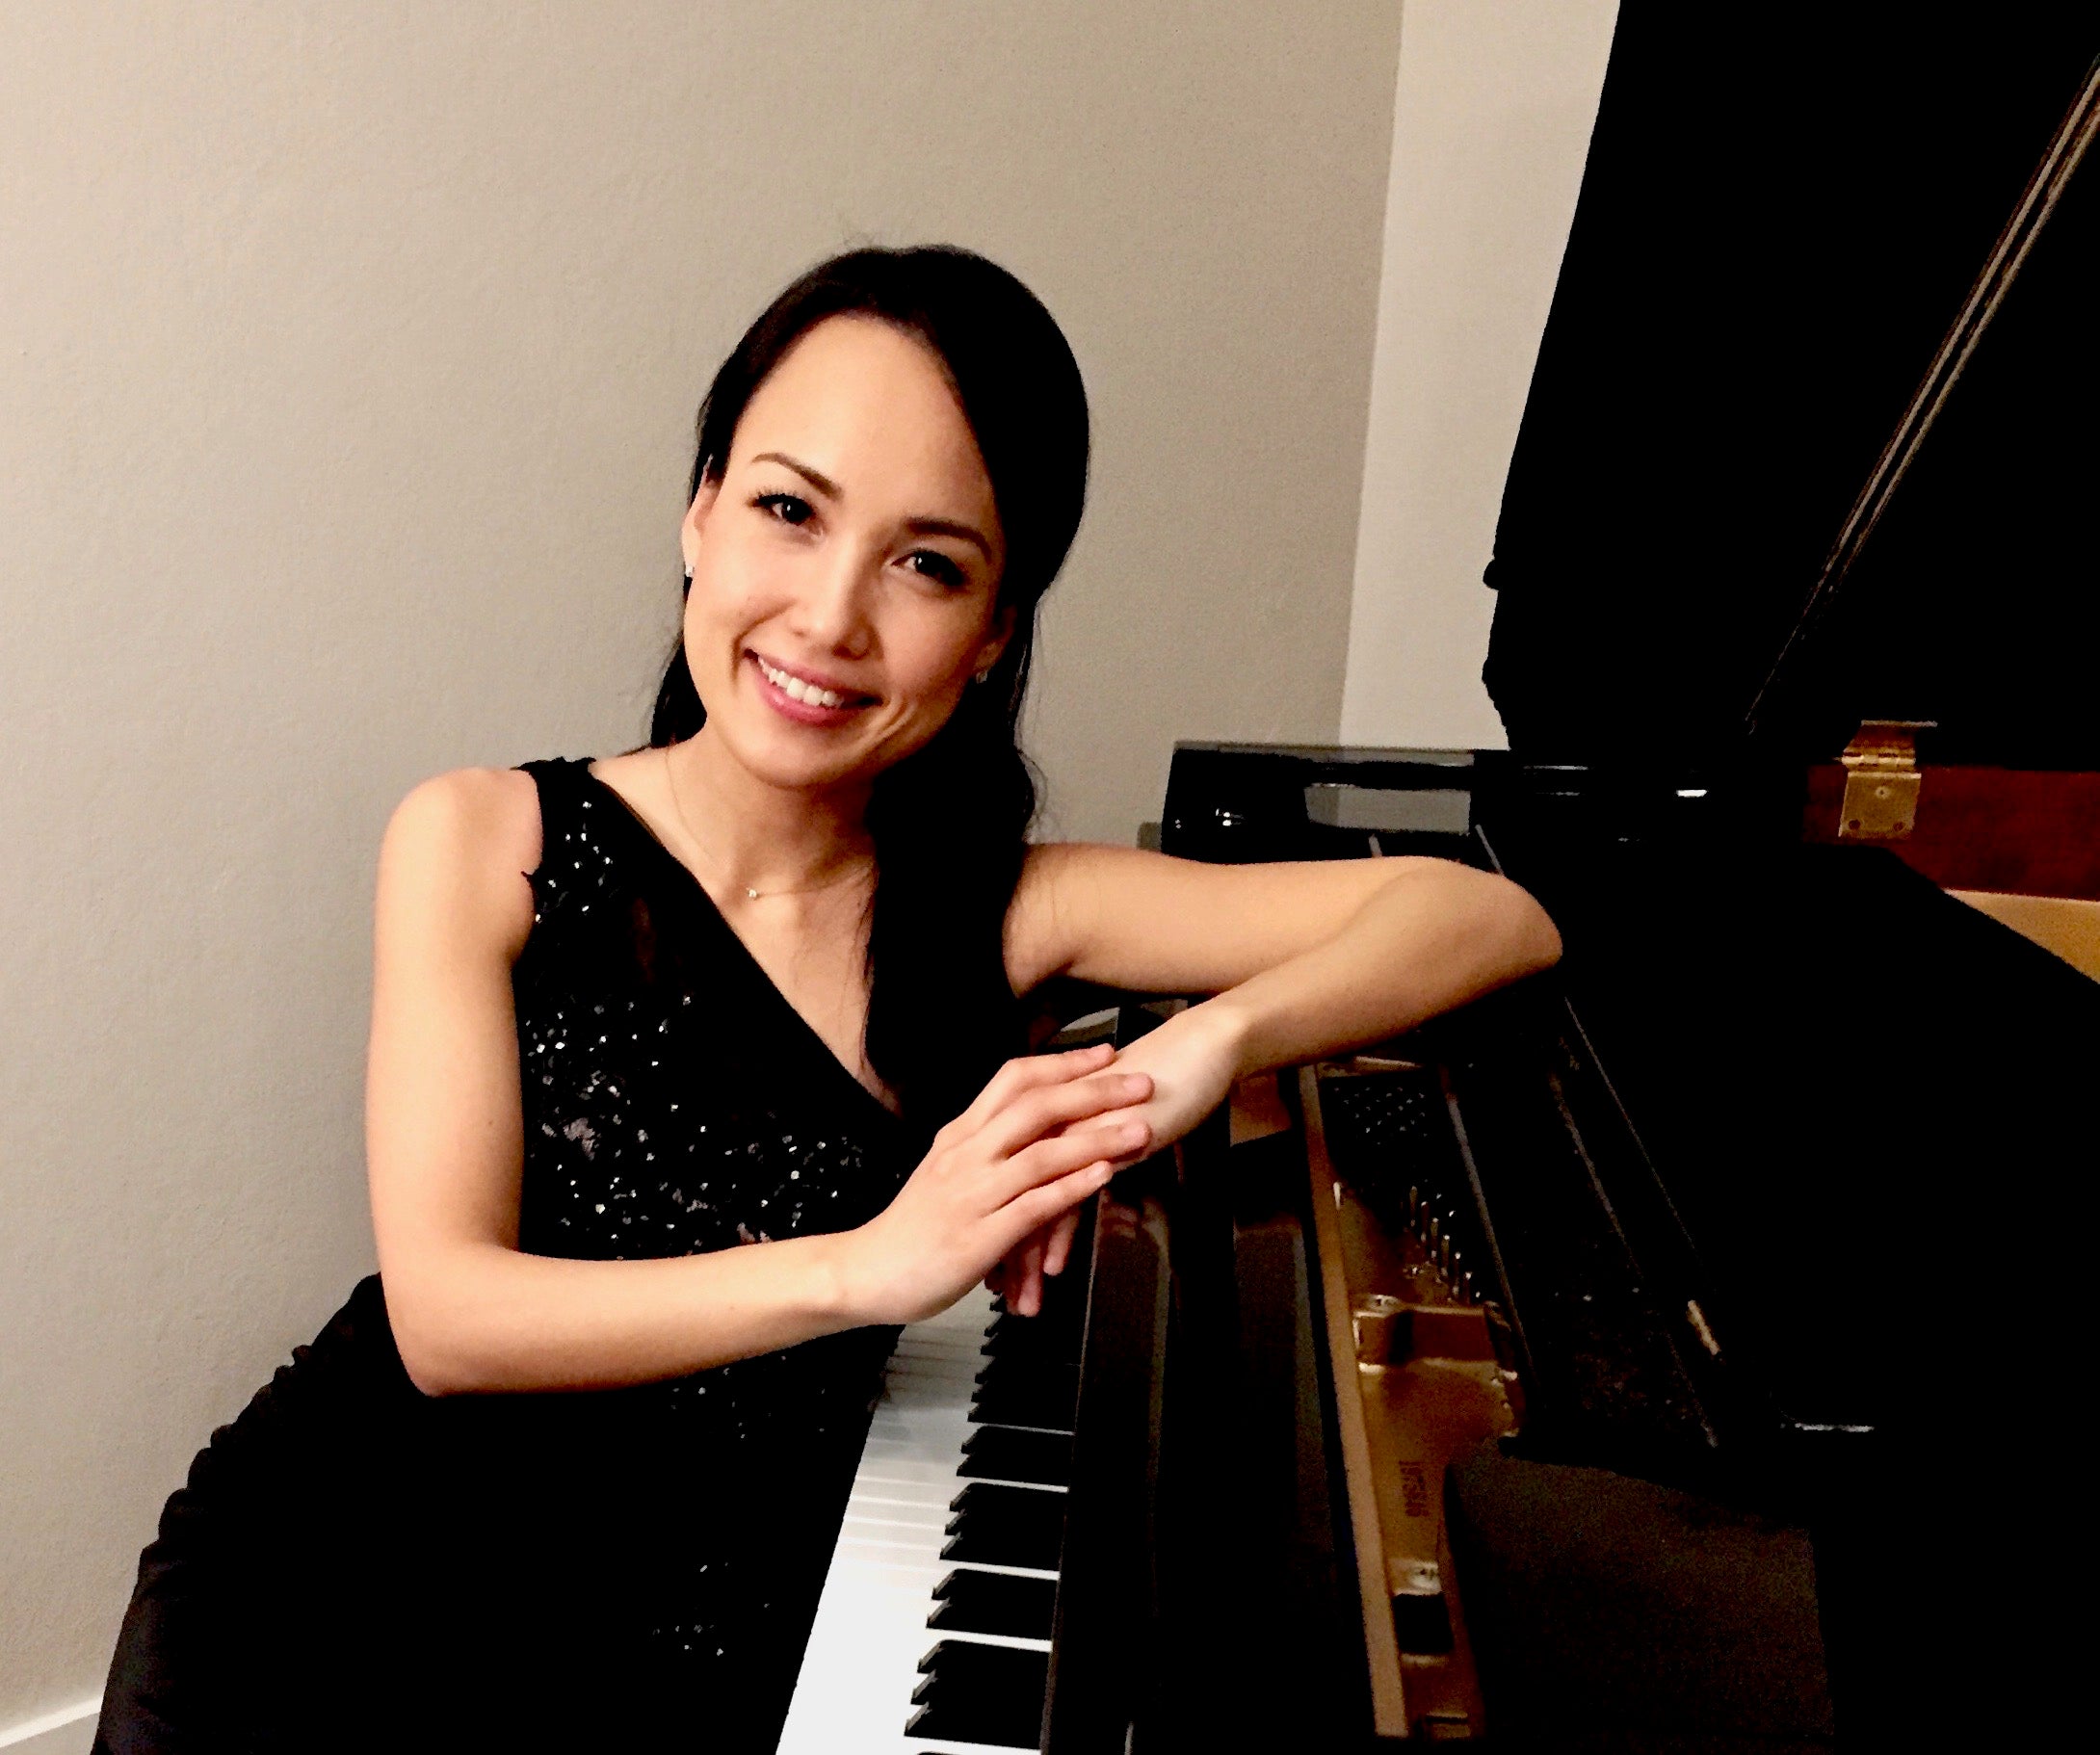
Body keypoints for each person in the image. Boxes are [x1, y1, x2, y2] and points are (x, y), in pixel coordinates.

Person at [93, 245, 1561, 1752]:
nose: (830, 618)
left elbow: (1487, 916)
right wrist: (873, 1263)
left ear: (994, 633)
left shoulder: (1012, 908)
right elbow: (449, 1322)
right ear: (699, 510)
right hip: (333, 1597)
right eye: (788, 511)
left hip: (703, 1619)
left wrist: (1198, 1051)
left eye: (927, 563)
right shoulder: (484, 842)